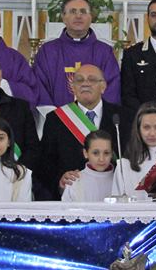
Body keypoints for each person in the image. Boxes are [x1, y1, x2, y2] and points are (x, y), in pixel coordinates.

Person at [37, 64, 123, 200]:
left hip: (114, 193)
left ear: (103, 86)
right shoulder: (56, 119)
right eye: (79, 80)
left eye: (92, 80)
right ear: (73, 87)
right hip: (74, 195)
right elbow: (45, 161)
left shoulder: (122, 117)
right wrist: (59, 180)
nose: (85, 84)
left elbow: (130, 157)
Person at [34, 0, 120, 107]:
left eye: (83, 11)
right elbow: (40, 87)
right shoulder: (47, 51)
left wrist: (94, 115)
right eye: (73, 11)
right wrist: (54, 117)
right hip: (56, 120)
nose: (78, 16)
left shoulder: (104, 52)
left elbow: (112, 89)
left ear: (91, 17)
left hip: (94, 121)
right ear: (63, 17)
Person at [112, 102, 156, 198]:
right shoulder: (123, 166)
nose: (152, 133)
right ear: (138, 129)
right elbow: (116, 206)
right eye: (146, 127)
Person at [61, 130, 116, 203]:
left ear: (112, 154)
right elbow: (66, 211)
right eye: (96, 153)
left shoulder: (119, 180)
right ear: (85, 153)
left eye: (106, 153)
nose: (101, 159)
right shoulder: (75, 181)